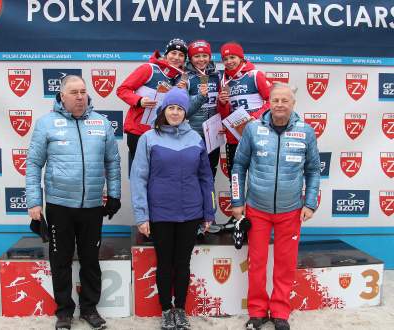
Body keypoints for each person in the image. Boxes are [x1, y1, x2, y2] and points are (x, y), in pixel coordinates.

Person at [26, 75, 121, 330]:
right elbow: (34, 164)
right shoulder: (46, 124)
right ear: (62, 96)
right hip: (59, 206)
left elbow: (112, 162)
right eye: (74, 92)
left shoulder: (101, 123)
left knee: (90, 259)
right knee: (61, 260)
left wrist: (114, 194)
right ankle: (64, 312)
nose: (80, 97)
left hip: (91, 206)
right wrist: (34, 202)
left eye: (83, 91)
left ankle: (89, 309)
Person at [230, 83, 320, 330]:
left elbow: (313, 171)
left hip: (291, 210)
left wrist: (310, 203)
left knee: (285, 264)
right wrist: (237, 201)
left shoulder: (306, 132)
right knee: (257, 263)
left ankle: (280, 312)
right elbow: (238, 167)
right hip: (257, 209)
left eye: (285, 100)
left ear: (293, 104)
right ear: (269, 102)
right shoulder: (252, 129)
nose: (280, 104)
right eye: (276, 100)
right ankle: (257, 311)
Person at [130, 87, 216, 330]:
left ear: (186, 112)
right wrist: (142, 215)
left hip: (191, 212)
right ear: (163, 110)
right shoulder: (149, 138)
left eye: (180, 108)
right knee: (165, 263)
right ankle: (166, 310)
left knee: (183, 262)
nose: (175, 112)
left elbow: (206, 178)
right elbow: (138, 178)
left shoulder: (196, 139)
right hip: (161, 212)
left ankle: (180, 309)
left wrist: (208, 212)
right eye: (171, 108)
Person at [218, 41, 271, 230]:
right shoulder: (223, 81)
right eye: (225, 59)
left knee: (258, 176)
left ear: (241, 57)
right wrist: (222, 103)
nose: (229, 61)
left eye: (232, 57)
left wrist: (254, 118)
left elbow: (271, 101)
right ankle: (237, 215)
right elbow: (224, 115)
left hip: (256, 135)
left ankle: (259, 216)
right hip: (234, 138)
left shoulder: (254, 75)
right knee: (236, 176)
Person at [116, 38, 188, 169]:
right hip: (138, 132)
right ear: (166, 54)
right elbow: (122, 90)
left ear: (184, 60)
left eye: (181, 55)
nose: (176, 57)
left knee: (158, 174)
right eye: (173, 53)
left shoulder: (179, 79)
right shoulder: (148, 69)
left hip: (161, 132)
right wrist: (139, 100)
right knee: (141, 173)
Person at [185, 39, 221, 177]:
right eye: (197, 56)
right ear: (190, 58)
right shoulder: (185, 78)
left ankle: (209, 199)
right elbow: (184, 113)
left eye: (205, 55)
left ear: (210, 57)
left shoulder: (218, 76)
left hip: (214, 133)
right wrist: (200, 97)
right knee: (192, 171)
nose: (201, 59)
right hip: (193, 133)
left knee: (211, 171)